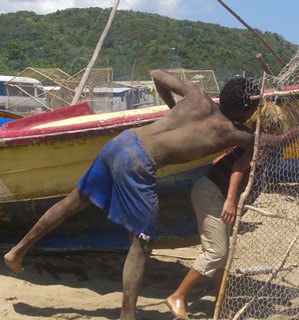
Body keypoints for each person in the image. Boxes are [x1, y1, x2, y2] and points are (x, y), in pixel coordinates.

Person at [3, 70, 265, 320]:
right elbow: (273, 142)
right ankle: (127, 315)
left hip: (121, 142)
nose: (254, 114)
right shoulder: (231, 132)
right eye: (253, 109)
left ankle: (18, 251)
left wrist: (172, 107)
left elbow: (157, 74)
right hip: (138, 163)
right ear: (244, 110)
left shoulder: (196, 95)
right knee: (141, 244)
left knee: (73, 201)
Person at [165, 105, 299, 319]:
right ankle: (177, 296)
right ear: (273, 127)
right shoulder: (258, 143)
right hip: (212, 195)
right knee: (216, 253)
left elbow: (218, 161)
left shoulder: (252, 139)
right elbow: (239, 167)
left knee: (221, 257)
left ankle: (221, 305)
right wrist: (231, 200)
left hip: (210, 192)